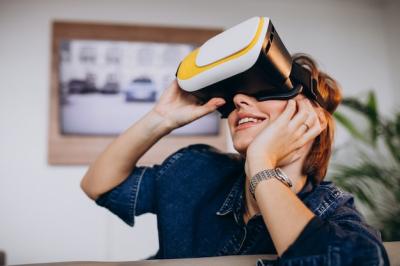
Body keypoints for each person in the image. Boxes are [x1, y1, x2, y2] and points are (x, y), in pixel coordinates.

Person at [80, 54, 389, 265]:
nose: (239, 100)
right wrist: (160, 119)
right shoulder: (197, 168)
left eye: (266, 90)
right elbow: (101, 186)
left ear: (313, 117)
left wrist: (262, 164)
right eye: (235, 96)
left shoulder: (333, 212)